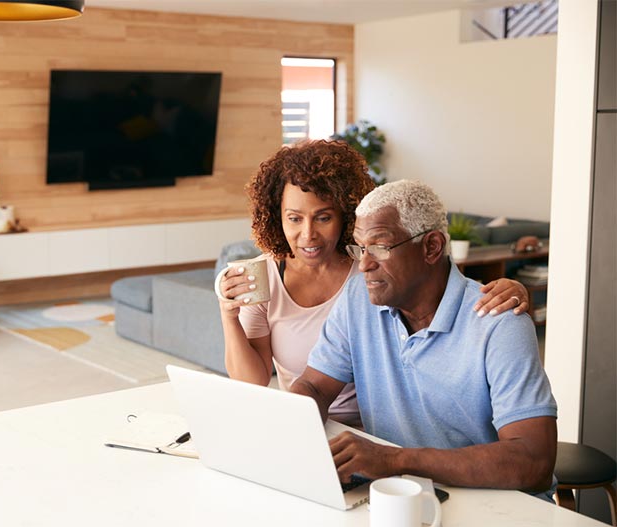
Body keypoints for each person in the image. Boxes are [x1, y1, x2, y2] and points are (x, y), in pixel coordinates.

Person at [217, 140, 531, 427]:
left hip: (382, 427)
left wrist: (509, 289)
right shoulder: (265, 276)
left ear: (346, 216)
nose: (308, 234)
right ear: (278, 217)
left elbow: (440, 287)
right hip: (312, 418)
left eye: (323, 217)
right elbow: (256, 381)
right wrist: (228, 316)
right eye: (295, 218)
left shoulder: (372, 269)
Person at [291, 179, 557, 499]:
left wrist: (394, 460)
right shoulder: (357, 299)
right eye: (359, 248)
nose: (364, 264)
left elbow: (534, 463)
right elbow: (315, 386)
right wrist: (294, 432)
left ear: (430, 247)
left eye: (379, 247)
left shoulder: (498, 322)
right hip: (400, 495)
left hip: (492, 503)